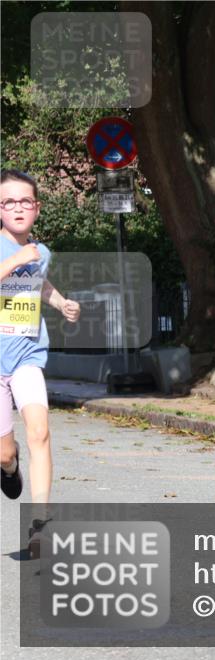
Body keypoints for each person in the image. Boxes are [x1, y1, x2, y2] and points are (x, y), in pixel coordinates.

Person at [1, 169, 81, 557]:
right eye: (9, 202)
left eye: (25, 201)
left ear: (37, 208)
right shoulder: (15, 252)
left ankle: (41, 523)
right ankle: (9, 466)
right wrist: (15, 260)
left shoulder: (42, 252)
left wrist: (60, 302)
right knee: (4, 451)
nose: (18, 208)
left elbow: (40, 285)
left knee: (40, 431)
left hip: (28, 355)